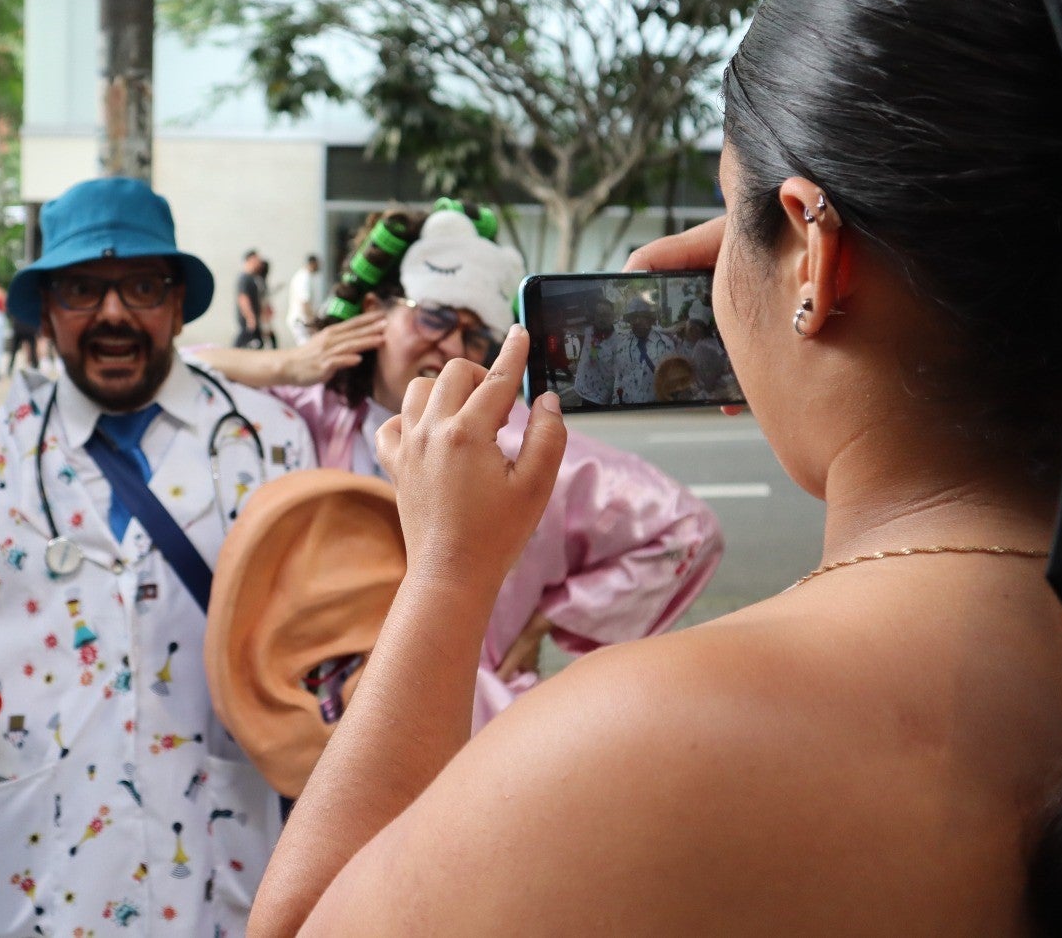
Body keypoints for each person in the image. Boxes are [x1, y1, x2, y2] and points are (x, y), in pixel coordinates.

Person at [244, 0, 1062, 933]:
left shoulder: (643, 744)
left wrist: (448, 574)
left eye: (731, 207)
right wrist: (773, 279)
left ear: (815, 254)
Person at [0, 177, 317, 938]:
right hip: (32, 857)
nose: (113, 313)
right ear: (47, 311)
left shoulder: (267, 444)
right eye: (81, 289)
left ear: (178, 304)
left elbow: (316, 648)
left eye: (142, 286)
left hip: (216, 848)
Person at [196, 204, 721, 729]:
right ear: (376, 311)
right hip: (315, 722)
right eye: (434, 316)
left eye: (474, 336)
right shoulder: (305, 416)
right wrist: (286, 363)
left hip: (467, 725)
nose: (449, 345)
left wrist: (548, 619)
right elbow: (187, 369)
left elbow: (686, 529)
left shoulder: (516, 445)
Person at [606, 295, 682, 405]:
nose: (637, 321)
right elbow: (619, 378)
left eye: (642, 317)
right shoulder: (622, 346)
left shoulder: (665, 344)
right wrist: (617, 404)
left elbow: (674, 380)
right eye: (633, 318)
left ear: (650, 319)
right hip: (629, 409)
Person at [570, 296, 618, 405]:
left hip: (602, 398)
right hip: (583, 392)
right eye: (599, 315)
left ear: (612, 317)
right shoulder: (588, 331)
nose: (602, 319)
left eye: (606, 315)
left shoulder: (618, 341)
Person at [286, 254, 321, 344]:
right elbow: (304, 302)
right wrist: (311, 322)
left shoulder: (305, 276)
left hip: (302, 321)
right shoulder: (304, 278)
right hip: (302, 321)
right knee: (308, 347)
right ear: (312, 263)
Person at [233, 248, 265, 348]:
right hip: (247, 318)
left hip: (254, 317)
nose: (259, 262)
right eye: (257, 259)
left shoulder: (253, 278)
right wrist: (250, 317)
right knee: (242, 340)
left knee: (258, 342)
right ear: (250, 260)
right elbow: (243, 299)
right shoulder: (244, 278)